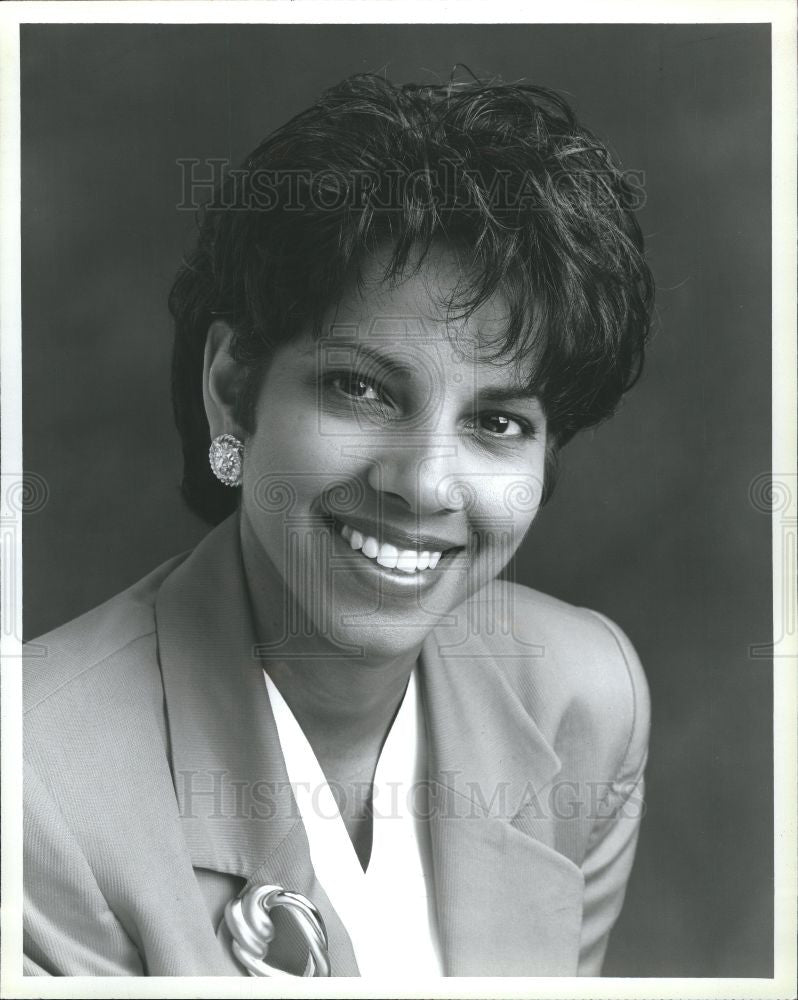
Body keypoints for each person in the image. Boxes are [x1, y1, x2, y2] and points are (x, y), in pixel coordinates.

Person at [23, 73, 654, 978]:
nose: (425, 484)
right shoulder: (36, 790)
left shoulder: (587, 702)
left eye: (498, 422)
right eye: (360, 388)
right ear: (235, 390)